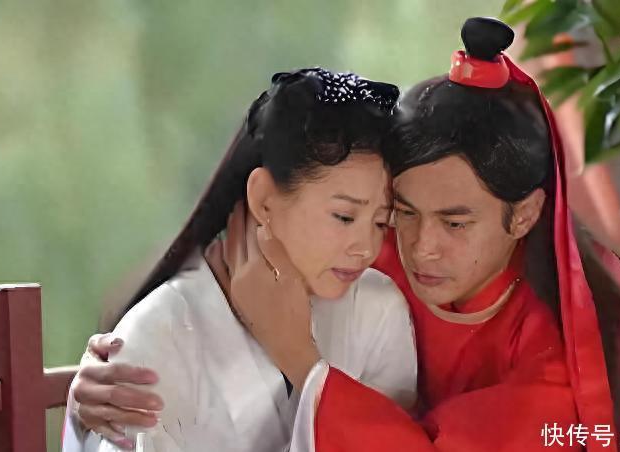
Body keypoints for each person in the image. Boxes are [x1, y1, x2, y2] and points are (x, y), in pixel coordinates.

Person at [72, 18, 620, 452]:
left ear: (524, 214)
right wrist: (109, 380)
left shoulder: (568, 351)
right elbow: (204, 304)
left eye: (455, 222)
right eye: (400, 212)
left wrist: (301, 359)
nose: (419, 246)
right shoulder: (368, 252)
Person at [61, 68, 417, 452]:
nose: (366, 248)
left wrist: (301, 359)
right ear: (263, 199)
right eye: (344, 217)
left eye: (381, 222)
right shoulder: (158, 331)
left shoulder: (378, 311)